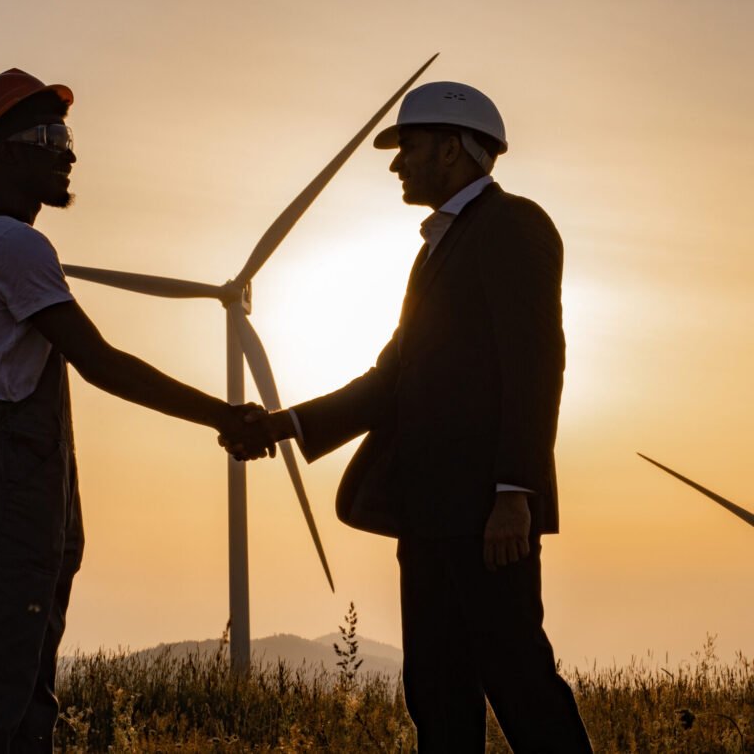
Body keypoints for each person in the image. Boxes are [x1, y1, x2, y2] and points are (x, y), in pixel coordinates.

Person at [231, 81, 593, 752]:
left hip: (487, 518)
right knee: (437, 690)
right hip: (429, 517)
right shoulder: (434, 252)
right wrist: (280, 424)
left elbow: (537, 362)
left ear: (454, 151)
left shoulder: (513, 226)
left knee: (518, 682)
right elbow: (389, 380)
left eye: (411, 148)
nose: (397, 164)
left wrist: (514, 492)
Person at [0, 68, 269, 753]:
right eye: (48, 135)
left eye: (67, 134)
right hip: (7, 498)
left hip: (25, 498)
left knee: (19, 697)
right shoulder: (13, 245)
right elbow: (101, 361)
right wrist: (224, 414)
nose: (68, 151)